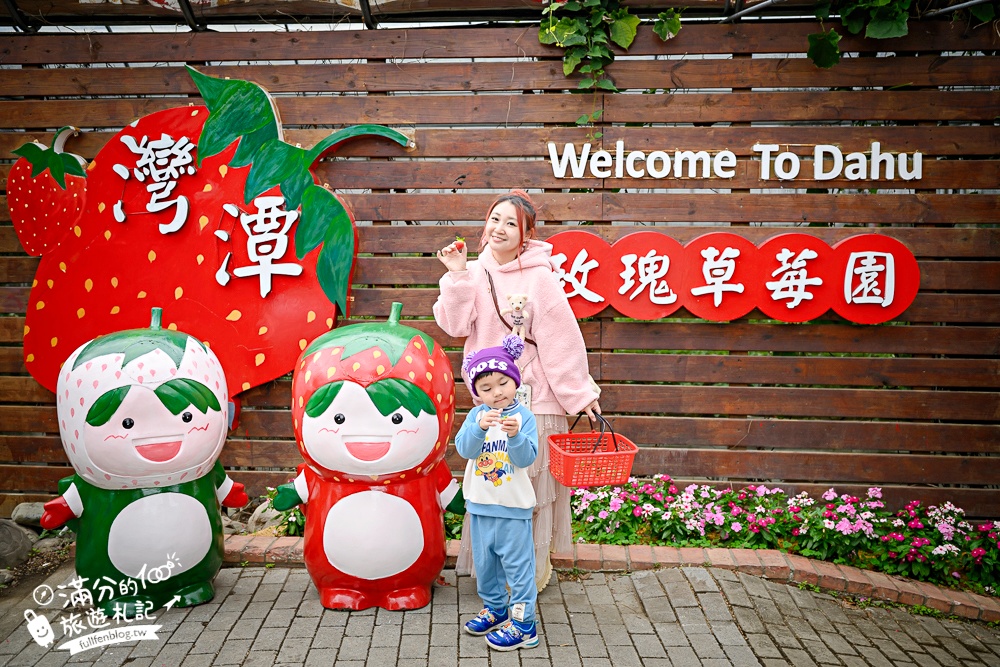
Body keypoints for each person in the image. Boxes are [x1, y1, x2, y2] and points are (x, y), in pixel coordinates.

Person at [433, 189, 601, 590]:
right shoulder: (473, 272)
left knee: (532, 495)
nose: (500, 228)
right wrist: (456, 274)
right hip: (491, 401)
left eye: (511, 223)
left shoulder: (540, 277)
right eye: (495, 219)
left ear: (526, 235)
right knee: (495, 488)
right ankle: (497, 574)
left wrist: (580, 395)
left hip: (535, 401)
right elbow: (455, 326)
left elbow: (561, 339)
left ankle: (531, 574)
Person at [455, 335, 539, 651]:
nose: (497, 392)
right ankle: (496, 609)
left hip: (513, 509)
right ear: (477, 392)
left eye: (503, 383)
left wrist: (515, 436)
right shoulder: (476, 416)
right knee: (486, 566)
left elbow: (526, 459)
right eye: (486, 388)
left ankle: (524, 625)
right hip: (480, 506)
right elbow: (464, 450)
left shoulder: (524, 418)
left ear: (515, 381)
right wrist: (478, 428)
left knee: (518, 570)